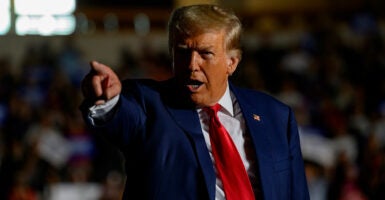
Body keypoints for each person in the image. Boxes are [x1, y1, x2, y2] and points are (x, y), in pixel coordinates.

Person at [80, 4, 309, 200]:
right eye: (182, 52)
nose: (191, 65)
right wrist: (106, 100)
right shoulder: (147, 102)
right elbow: (121, 117)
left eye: (205, 54)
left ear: (232, 62)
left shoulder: (275, 116)